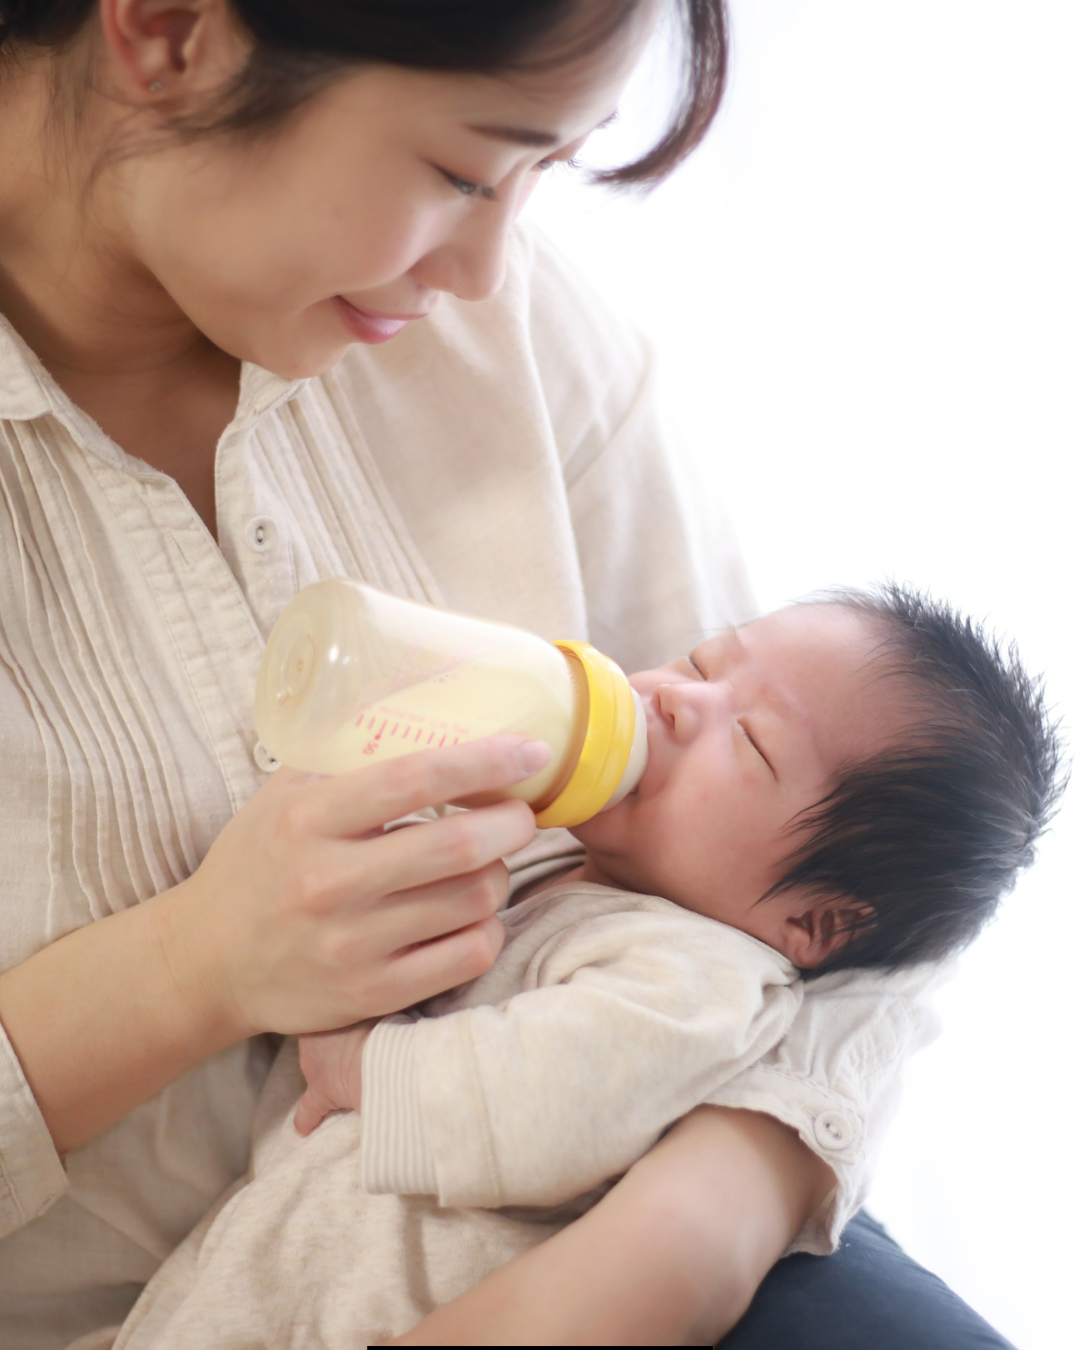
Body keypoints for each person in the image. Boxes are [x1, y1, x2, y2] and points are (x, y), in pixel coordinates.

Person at [0, 2, 1021, 1347]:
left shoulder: (515, 337)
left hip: (631, 1196)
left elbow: (871, 880)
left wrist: (695, 1233)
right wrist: (191, 966)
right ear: (176, 32)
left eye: (547, 170)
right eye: (465, 171)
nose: (493, 269)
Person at [100, 586, 1061, 1348]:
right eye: (704, 661)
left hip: (382, 1311)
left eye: (753, 741)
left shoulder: (699, 979)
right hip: (246, 1279)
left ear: (811, 921)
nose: (678, 699)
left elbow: (543, 1104)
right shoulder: (565, 858)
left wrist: (355, 1061)